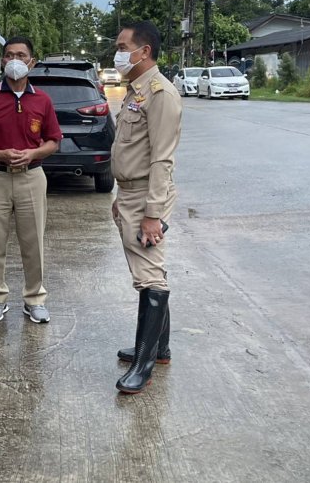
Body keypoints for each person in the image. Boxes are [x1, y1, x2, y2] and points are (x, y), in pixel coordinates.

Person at [0, 37, 62, 324]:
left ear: (32, 61)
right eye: (9, 55)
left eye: (21, 55)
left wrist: (32, 154)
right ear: (2, 61)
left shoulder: (42, 100)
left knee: (33, 241)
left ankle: (34, 299)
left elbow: (53, 140)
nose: (15, 60)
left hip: (32, 177)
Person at [110, 21, 182, 394]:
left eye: (123, 47)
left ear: (144, 52)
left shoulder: (160, 93)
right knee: (152, 271)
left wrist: (152, 213)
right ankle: (160, 347)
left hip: (148, 197)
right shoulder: (136, 91)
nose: (118, 53)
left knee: (150, 276)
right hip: (132, 193)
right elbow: (130, 150)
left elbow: (161, 159)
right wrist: (120, 198)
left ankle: (144, 364)